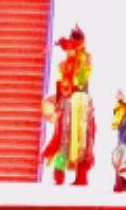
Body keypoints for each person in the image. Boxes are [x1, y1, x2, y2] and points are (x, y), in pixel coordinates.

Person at [41, 26, 96, 183]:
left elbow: (82, 79)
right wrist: (58, 99)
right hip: (67, 102)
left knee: (81, 139)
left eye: (72, 47)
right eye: (68, 48)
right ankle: (59, 171)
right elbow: (62, 83)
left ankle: (81, 175)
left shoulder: (84, 60)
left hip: (80, 102)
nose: (69, 51)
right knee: (62, 137)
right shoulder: (65, 64)